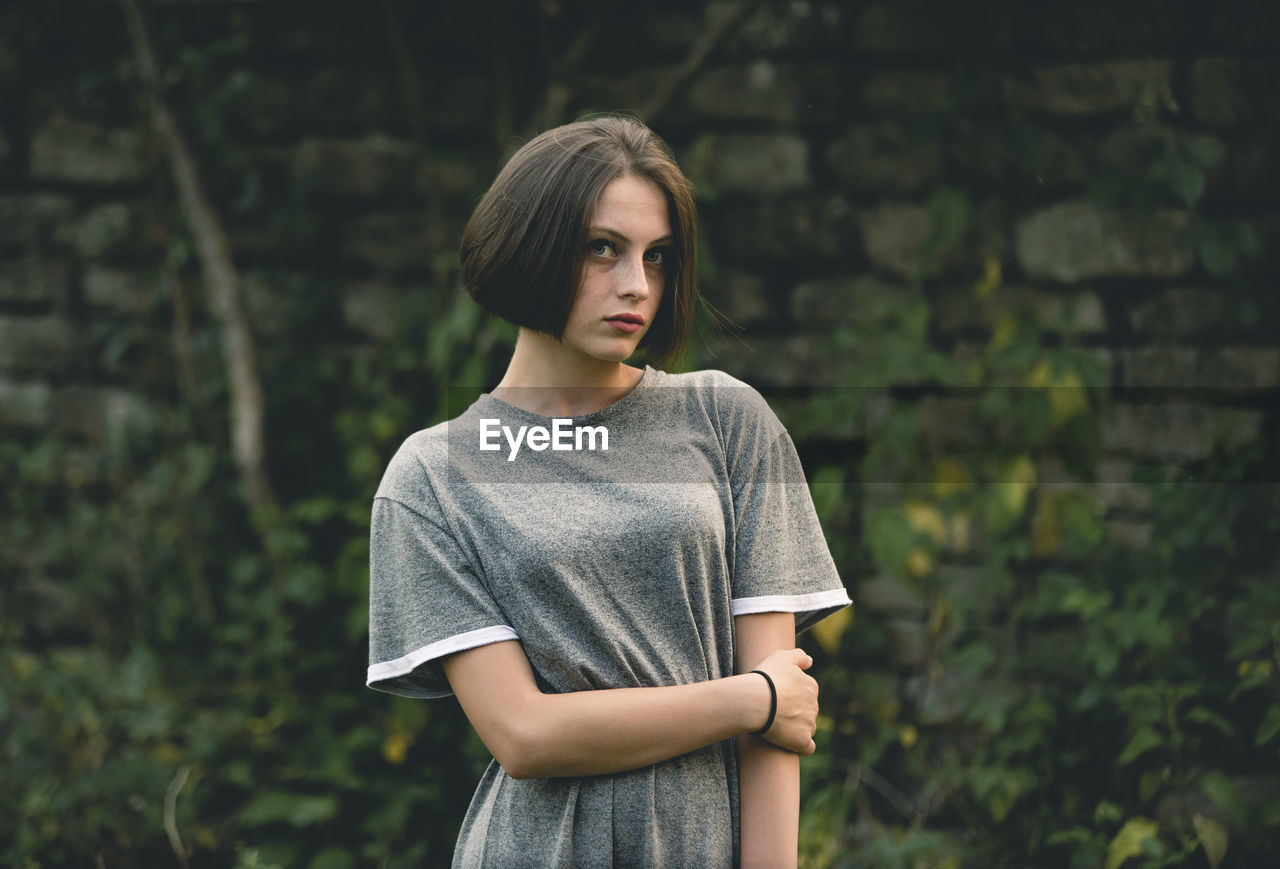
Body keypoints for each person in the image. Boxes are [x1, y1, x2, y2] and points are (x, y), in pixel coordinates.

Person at [366, 115, 851, 868]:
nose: (637, 286)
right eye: (603, 248)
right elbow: (524, 734)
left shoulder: (727, 420)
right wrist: (747, 698)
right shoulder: (433, 477)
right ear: (529, 246)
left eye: (657, 257)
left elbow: (778, 741)